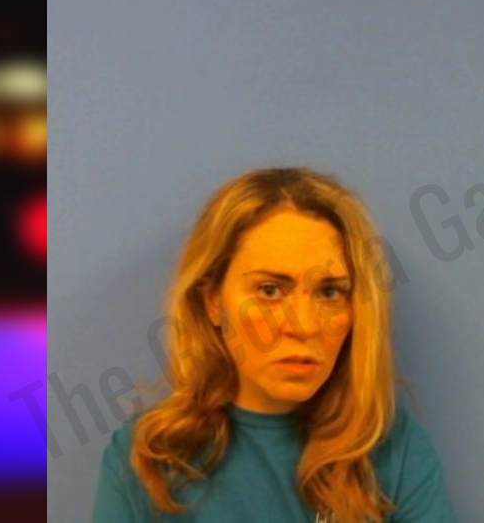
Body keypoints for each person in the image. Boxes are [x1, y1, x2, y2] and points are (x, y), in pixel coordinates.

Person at [92, 167, 457, 522]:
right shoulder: (150, 456)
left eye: (330, 292)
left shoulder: (392, 448)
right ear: (213, 300)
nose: (303, 326)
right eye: (270, 290)